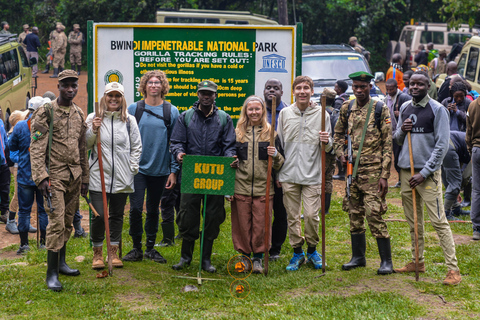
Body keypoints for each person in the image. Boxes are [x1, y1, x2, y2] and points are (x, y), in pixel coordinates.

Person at [394, 70, 461, 285]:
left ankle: (453, 270)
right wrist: (403, 130)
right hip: (406, 171)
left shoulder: (438, 109)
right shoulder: (404, 108)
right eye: (412, 84)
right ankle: (417, 261)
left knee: (439, 222)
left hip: (427, 174)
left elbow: (441, 145)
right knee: (414, 221)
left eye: (420, 84)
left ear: (428, 86)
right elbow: (396, 139)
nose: (414, 87)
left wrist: (424, 173)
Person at [30, 70, 89, 291]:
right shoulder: (46, 111)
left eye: (74, 85)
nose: (70, 89)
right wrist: (41, 177)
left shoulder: (79, 113)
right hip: (54, 176)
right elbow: (36, 148)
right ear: (59, 87)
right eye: (66, 85)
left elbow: (82, 149)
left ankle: (62, 263)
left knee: (66, 222)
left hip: (74, 177)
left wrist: (84, 178)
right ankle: (51, 274)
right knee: (55, 223)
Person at [170, 80, 236, 272]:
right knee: (187, 216)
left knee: (212, 217)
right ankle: (185, 257)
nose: (206, 96)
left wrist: (230, 158)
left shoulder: (224, 118)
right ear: (197, 94)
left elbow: (229, 145)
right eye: (203, 93)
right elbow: (176, 142)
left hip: (215, 178)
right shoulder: (186, 117)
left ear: (215, 96)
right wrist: (179, 153)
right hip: (191, 175)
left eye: (210, 94)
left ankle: (206, 259)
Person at [334, 71, 394, 275]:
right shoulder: (346, 108)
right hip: (352, 171)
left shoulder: (379, 108)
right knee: (354, 214)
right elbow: (337, 134)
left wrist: (385, 175)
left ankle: (386, 261)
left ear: (370, 87)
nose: (358, 90)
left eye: (363, 87)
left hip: (373, 172)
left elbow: (387, 143)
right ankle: (358, 257)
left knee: (373, 213)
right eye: (355, 86)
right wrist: (341, 154)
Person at [277, 75, 332, 271]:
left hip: (312, 174)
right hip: (289, 174)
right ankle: (297, 252)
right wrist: (278, 172)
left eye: (306, 88)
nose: (302, 91)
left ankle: (312, 250)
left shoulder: (322, 114)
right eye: (298, 88)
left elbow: (327, 147)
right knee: (292, 216)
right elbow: (281, 145)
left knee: (310, 215)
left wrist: (327, 141)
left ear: (312, 91)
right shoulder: (284, 113)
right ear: (293, 91)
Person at [123, 70, 179, 263]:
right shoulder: (133, 109)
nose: (154, 85)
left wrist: (173, 171)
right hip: (137, 169)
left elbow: (175, 142)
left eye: (157, 83)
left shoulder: (171, 111)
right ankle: (136, 248)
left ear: (163, 86)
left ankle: (150, 248)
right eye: (150, 82)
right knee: (136, 209)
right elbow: (125, 139)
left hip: (160, 169)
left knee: (154, 209)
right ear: (144, 86)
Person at [86, 82, 142, 269]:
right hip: (98, 176)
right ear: (104, 97)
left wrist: (131, 168)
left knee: (117, 215)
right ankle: (97, 253)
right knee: (100, 215)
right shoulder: (93, 117)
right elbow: (85, 145)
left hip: (122, 177)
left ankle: (114, 252)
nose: (113, 99)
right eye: (110, 95)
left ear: (122, 99)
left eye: (117, 96)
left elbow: (136, 147)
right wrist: (93, 129)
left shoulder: (129, 121)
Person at [229, 96, 284, 274]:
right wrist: (232, 162)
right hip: (241, 186)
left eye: (257, 109)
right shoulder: (236, 133)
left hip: (264, 187)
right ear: (245, 111)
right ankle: (244, 257)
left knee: (261, 224)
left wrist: (275, 154)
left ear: (262, 111)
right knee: (242, 224)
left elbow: (280, 163)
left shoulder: (271, 134)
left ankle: (258, 258)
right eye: (250, 109)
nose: (254, 112)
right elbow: (228, 158)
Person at [9, 97, 50, 254]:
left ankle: (24, 245)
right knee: (43, 210)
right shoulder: (46, 126)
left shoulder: (19, 126)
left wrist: (22, 157)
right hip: (43, 176)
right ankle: (43, 243)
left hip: (25, 175)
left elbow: (12, 146)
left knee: (24, 211)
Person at [263, 78, 288, 260]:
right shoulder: (255, 110)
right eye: (268, 87)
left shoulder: (288, 112)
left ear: (282, 91)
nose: (272, 90)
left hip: (283, 166)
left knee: (280, 210)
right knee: (261, 209)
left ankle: (276, 248)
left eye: (276, 88)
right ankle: (260, 243)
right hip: (260, 168)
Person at [384, 78, 411, 188]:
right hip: (393, 133)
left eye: (391, 89)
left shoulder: (404, 97)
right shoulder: (386, 99)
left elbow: (411, 111)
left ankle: (404, 180)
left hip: (403, 133)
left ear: (396, 88)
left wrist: (401, 114)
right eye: (387, 89)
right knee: (396, 158)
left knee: (402, 157)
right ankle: (401, 180)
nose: (389, 91)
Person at [442, 131, 471, 220]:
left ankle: (456, 208)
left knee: (450, 181)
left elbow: (459, 163)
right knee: (455, 184)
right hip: (448, 146)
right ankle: (445, 214)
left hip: (442, 144)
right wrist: (458, 188)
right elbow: (466, 176)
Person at [466, 93, 480, 240]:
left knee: (477, 190)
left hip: (477, 150)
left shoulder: (472, 105)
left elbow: (468, 131)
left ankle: (477, 228)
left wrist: (471, 150)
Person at [322, 88, 338, 214]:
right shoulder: (336, 113)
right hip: (334, 150)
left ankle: (318, 206)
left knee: (319, 178)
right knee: (328, 179)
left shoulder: (322, 113)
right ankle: (325, 209)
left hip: (323, 149)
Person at [333, 80, 350, 180]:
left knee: (340, 151)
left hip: (342, 129)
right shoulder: (347, 98)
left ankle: (341, 173)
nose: (335, 89)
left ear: (339, 89)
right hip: (347, 129)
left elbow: (336, 117)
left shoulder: (339, 101)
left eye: (335, 87)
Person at [0, 115, 10, 224]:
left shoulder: (1, 122)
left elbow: (5, 141)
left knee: (5, 188)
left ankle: (4, 212)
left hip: (3, 162)